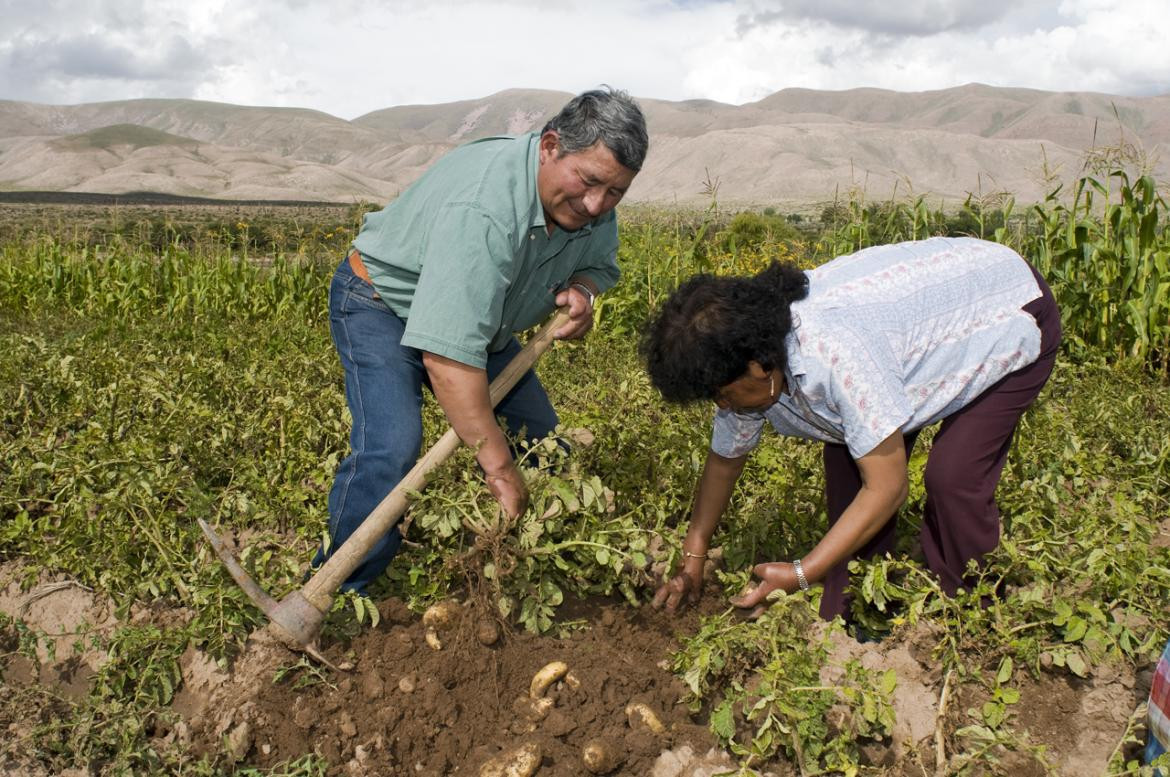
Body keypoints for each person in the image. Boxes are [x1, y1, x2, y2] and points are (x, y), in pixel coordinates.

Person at [314, 87, 648, 592]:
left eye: (615, 192)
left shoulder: (593, 203)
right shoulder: (485, 208)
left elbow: (601, 265)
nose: (596, 203)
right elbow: (448, 358)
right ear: (551, 145)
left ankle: (524, 562)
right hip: (382, 305)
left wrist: (582, 290)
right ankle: (339, 589)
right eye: (589, 182)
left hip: (480, 325)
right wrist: (497, 466)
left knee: (544, 443)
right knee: (391, 447)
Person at [641, 237, 1061, 622]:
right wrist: (693, 554)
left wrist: (805, 572)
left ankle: (975, 607)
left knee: (953, 476)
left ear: (758, 364)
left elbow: (888, 487)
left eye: (721, 392)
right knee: (846, 454)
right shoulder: (750, 355)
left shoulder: (838, 357)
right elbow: (724, 461)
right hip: (904, 342)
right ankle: (862, 608)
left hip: (1007, 309)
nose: (722, 404)